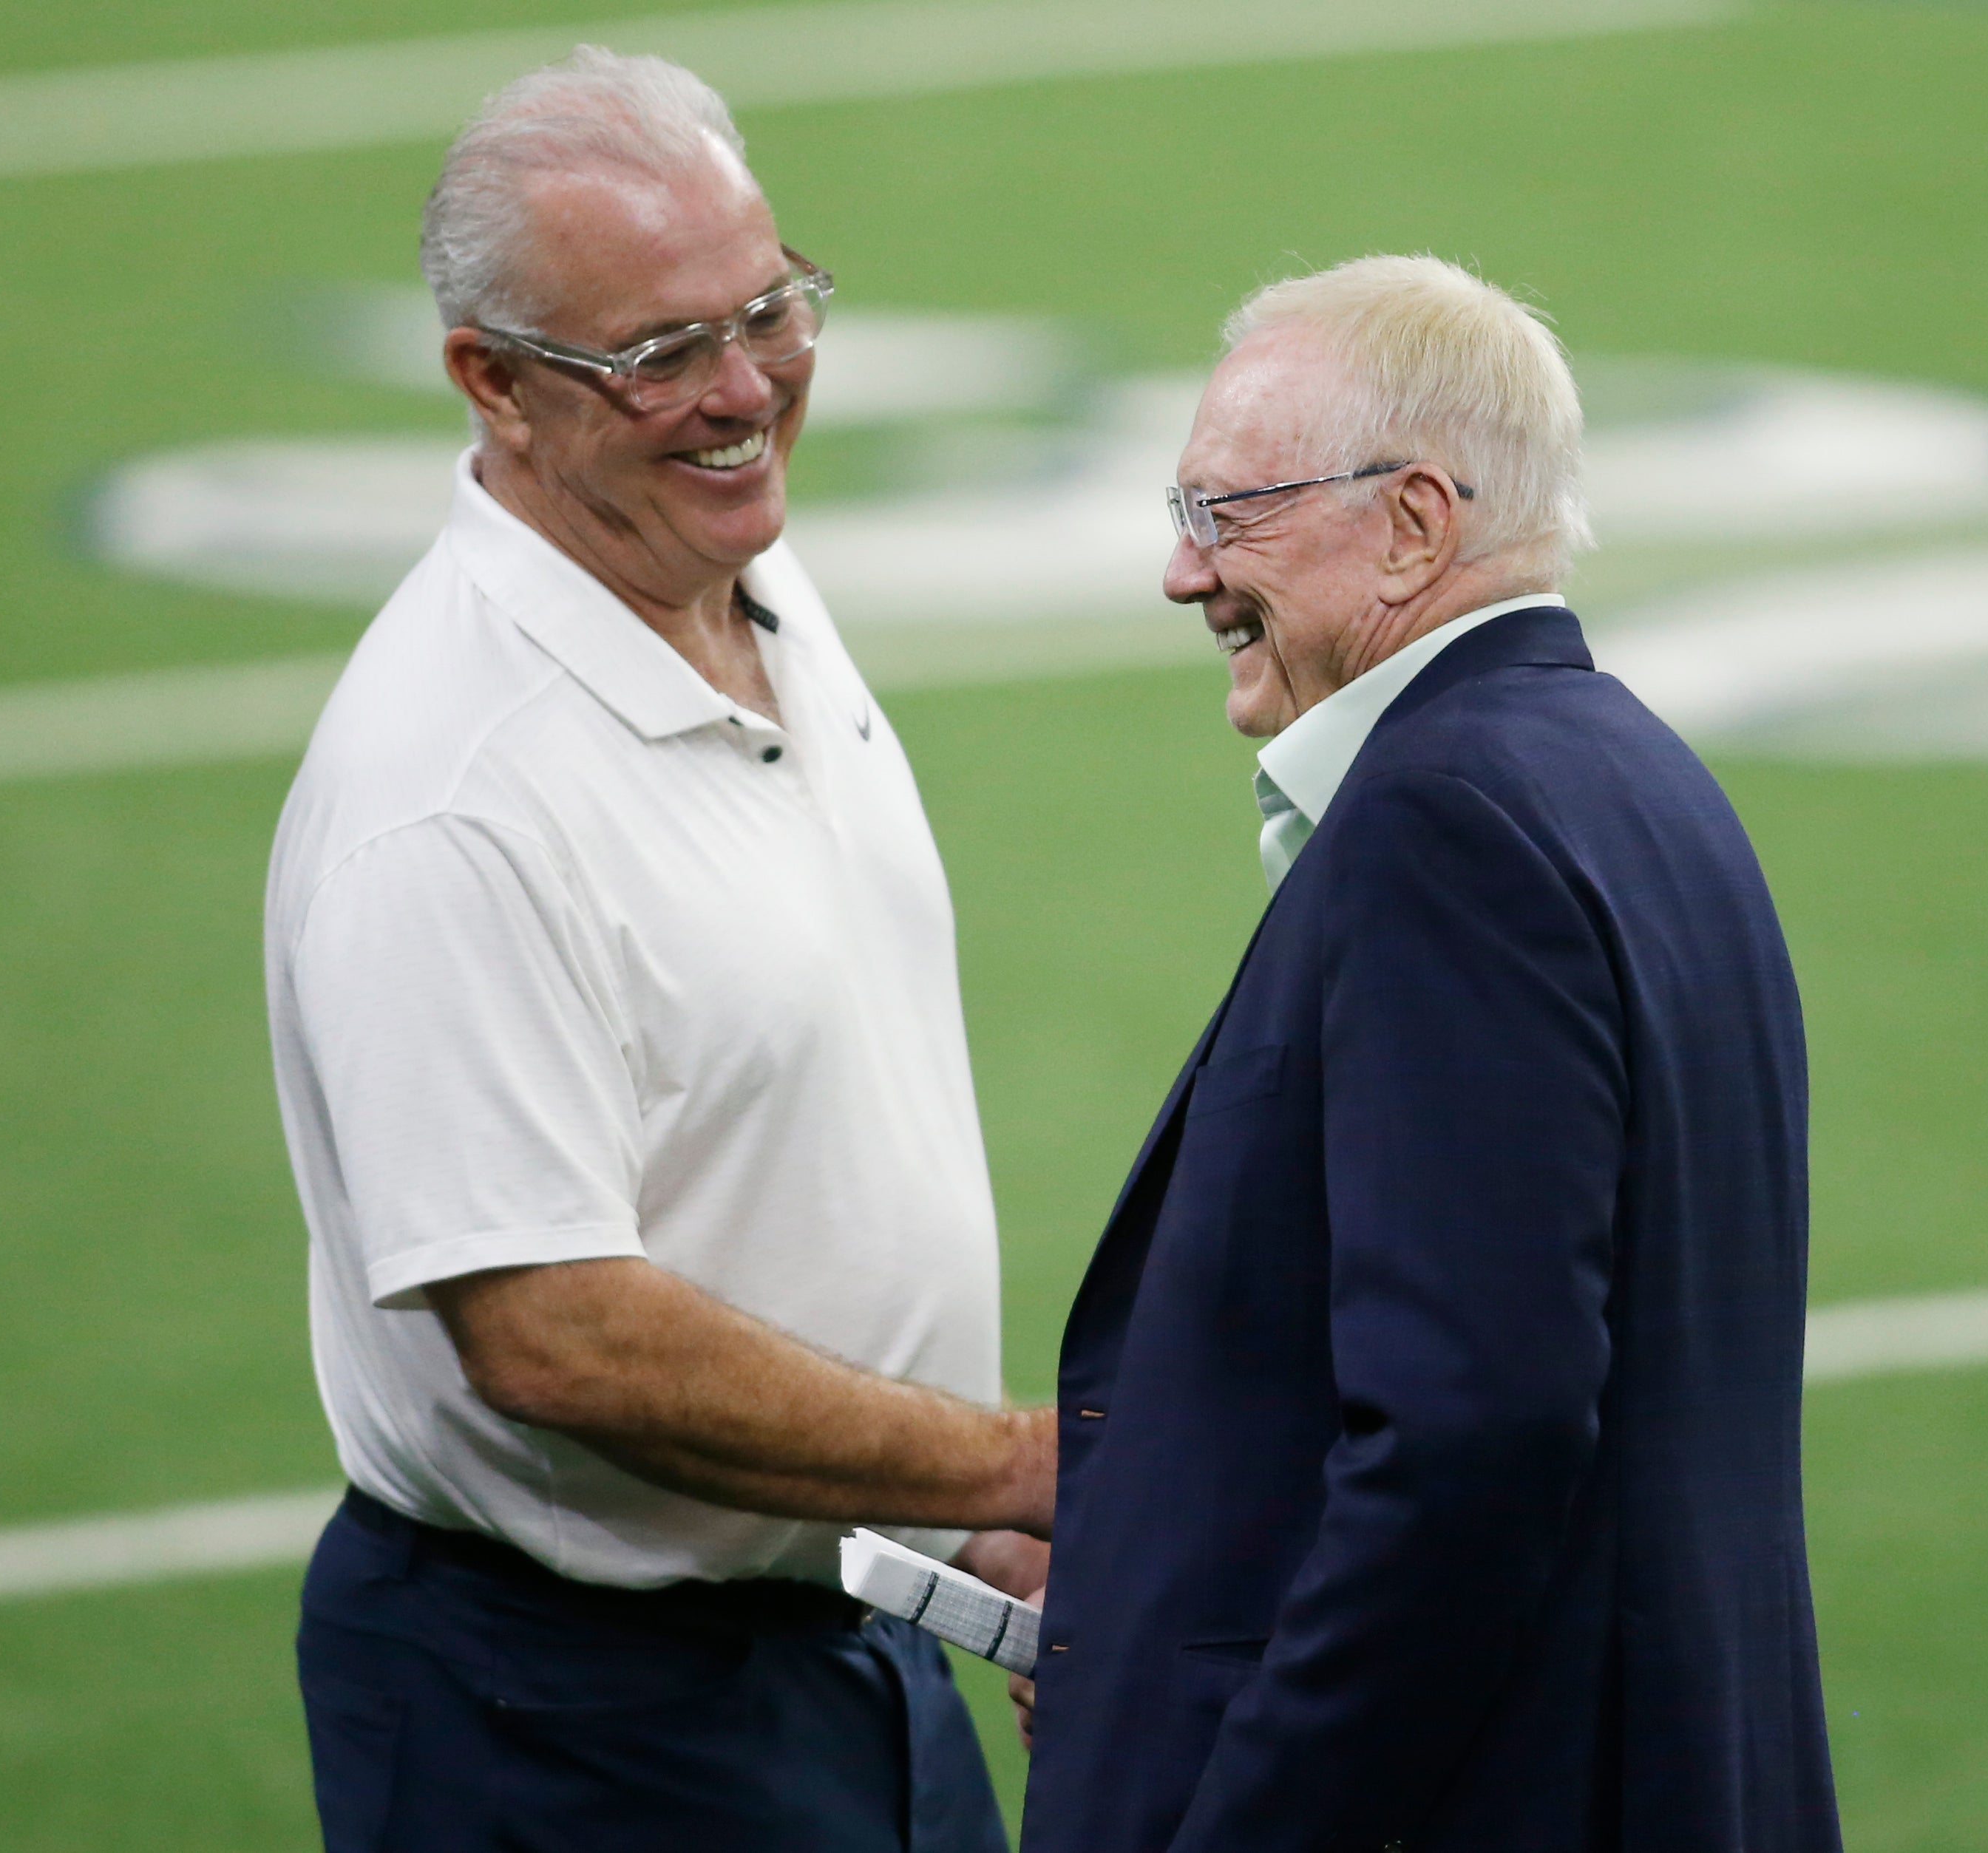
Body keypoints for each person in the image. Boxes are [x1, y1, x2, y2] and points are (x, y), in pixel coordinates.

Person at [263, 47, 1051, 1853]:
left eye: (770, 310)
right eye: (658, 354)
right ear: (494, 384)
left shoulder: (734, 575)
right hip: (572, 1721)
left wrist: (964, 1535)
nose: (744, 390)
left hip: (848, 1630)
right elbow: (552, 1333)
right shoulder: (450, 798)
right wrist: (1008, 1462)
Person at [1015, 257, 1842, 1853]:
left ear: (1412, 521)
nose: (1183, 577)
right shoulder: (1631, 774)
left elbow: (1468, 1441)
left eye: (1222, 513)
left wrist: (1236, 1811)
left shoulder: (1439, 824)